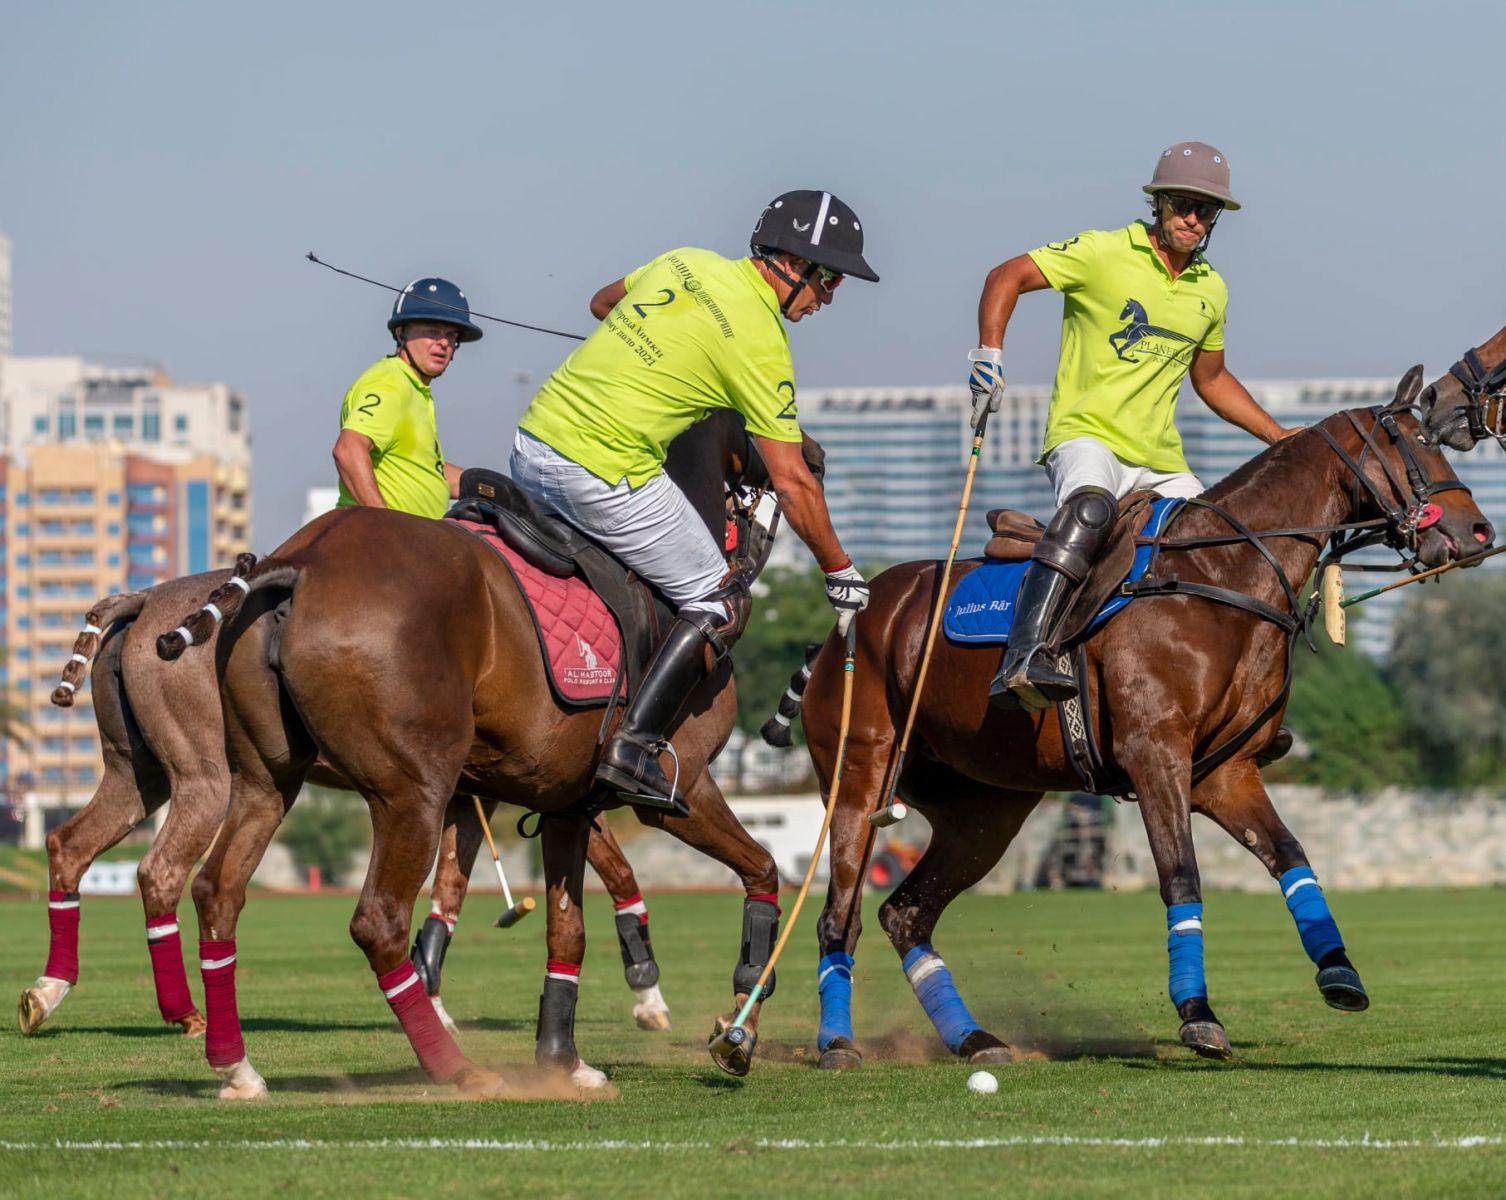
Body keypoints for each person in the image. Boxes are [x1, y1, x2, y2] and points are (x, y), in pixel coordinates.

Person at [511, 190, 878, 813]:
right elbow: (791, 480)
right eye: (832, 279)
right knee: (720, 598)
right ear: (793, 265)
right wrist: (839, 570)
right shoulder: (762, 342)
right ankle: (632, 748)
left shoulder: (687, 261)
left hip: (532, 442)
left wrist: (663, 352)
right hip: (600, 469)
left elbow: (603, 303)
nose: (831, 297)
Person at [968, 141, 1296, 712]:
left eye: (1206, 209)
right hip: (1085, 435)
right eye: (1183, 204)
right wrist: (988, 354)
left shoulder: (1210, 290)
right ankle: (1024, 655)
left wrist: (1281, 439)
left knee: (1227, 541)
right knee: (1090, 509)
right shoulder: (1100, 252)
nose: (1193, 218)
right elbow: (1006, 276)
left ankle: (1236, 703)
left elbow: (1212, 380)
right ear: (1159, 202)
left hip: (1161, 459)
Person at [333, 277, 483, 516]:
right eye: (433, 332)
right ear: (401, 333)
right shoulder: (390, 383)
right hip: (384, 541)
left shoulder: (415, 388)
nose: (444, 343)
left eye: (451, 336)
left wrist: (486, 485)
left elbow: (424, 470)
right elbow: (348, 449)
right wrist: (384, 524)